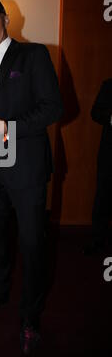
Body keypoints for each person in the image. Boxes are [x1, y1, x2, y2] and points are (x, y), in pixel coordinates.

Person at [0, 0, 63, 354]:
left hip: (25, 165)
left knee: (31, 243)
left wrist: (6, 128)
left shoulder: (33, 54)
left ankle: (30, 317)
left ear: (6, 20)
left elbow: (53, 107)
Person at [83, 78, 112, 256]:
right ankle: (97, 241)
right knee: (103, 197)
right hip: (110, 155)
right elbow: (95, 112)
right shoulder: (110, 85)